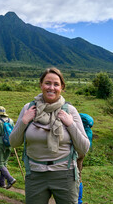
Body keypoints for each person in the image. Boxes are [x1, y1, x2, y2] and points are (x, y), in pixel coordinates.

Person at [9, 67, 90, 204]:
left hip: (65, 174)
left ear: (62, 87)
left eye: (56, 84)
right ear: (41, 85)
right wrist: (24, 121)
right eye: (47, 83)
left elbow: (84, 148)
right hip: (35, 174)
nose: (51, 88)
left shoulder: (70, 110)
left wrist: (70, 124)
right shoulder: (28, 108)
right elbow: (13, 142)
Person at [0, 106, 16, 189]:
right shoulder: (11, 120)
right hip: (9, 144)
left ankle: (10, 179)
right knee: (4, 163)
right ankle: (2, 183)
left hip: (1, 145)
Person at [76, 113, 94, 204]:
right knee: (78, 175)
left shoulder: (75, 120)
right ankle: (79, 201)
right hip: (82, 151)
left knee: (75, 176)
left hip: (76, 150)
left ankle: (77, 200)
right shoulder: (85, 125)